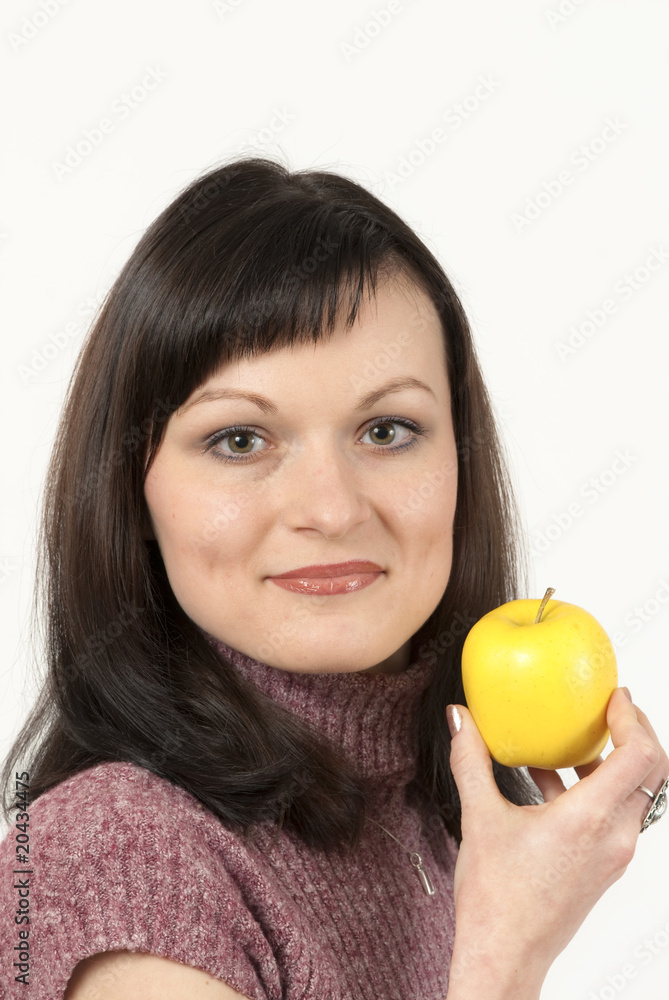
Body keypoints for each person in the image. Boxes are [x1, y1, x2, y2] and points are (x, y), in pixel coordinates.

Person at [0, 155, 666, 1000]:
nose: (331, 508)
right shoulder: (121, 859)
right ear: (133, 491)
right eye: (240, 440)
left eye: (386, 430)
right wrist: (505, 955)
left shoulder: (427, 808)